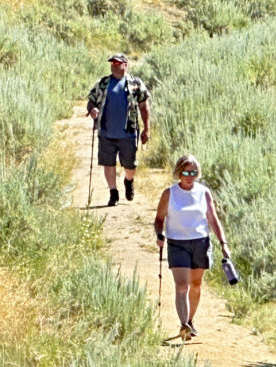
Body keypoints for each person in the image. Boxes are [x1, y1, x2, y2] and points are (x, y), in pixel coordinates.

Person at [154, 154, 231, 340]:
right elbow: (159, 219)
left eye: (194, 172)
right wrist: (159, 234)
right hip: (177, 243)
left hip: (200, 242)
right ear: (178, 173)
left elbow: (213, 219)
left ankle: (190, 320)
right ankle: (184, 324)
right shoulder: (169, 193)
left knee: (195, 285)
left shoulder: (203, 192)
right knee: (181, 285)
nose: (190, 176)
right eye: (186, 172)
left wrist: (223, 244)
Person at [86, 53, 151, 206]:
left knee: (130, 165)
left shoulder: (135, 84)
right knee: (108, 163)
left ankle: (129, 181)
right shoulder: (102, 83)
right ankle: (113, 193)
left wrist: (146, 129)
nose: (114, 65)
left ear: (125, 65)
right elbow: (91, 102)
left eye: (117, 63)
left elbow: (144, 107)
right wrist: (92, 110)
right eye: (112, 63)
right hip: (106, 132)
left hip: (128, 132)